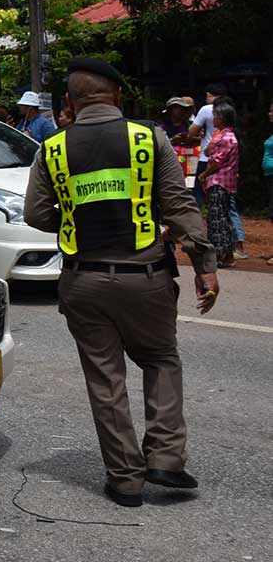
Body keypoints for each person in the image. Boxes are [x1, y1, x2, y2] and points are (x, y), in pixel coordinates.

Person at [24, 57, 218, 508]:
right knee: (161, 360)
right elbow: (177, 204)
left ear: (70, 101)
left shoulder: (51, 148)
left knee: (105, 379)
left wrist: (73, 218)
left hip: (84, 282)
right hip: (146, 278)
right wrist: (204, 264)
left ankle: (126, 480)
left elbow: (35, 213)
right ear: (117, 95)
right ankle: (166, 459)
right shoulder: (149, 139)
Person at [198, 101, 240, 265]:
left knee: (217, 219)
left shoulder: (226, 137)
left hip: (219, 182)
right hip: (220, 182)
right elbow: (208, 151)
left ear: (222, 118)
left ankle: (220, 255)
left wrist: (204, 174)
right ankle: (225, 254)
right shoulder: (221, 135)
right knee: (221, 217)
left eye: (216, 115)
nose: (213, 118)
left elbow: (216, 162)